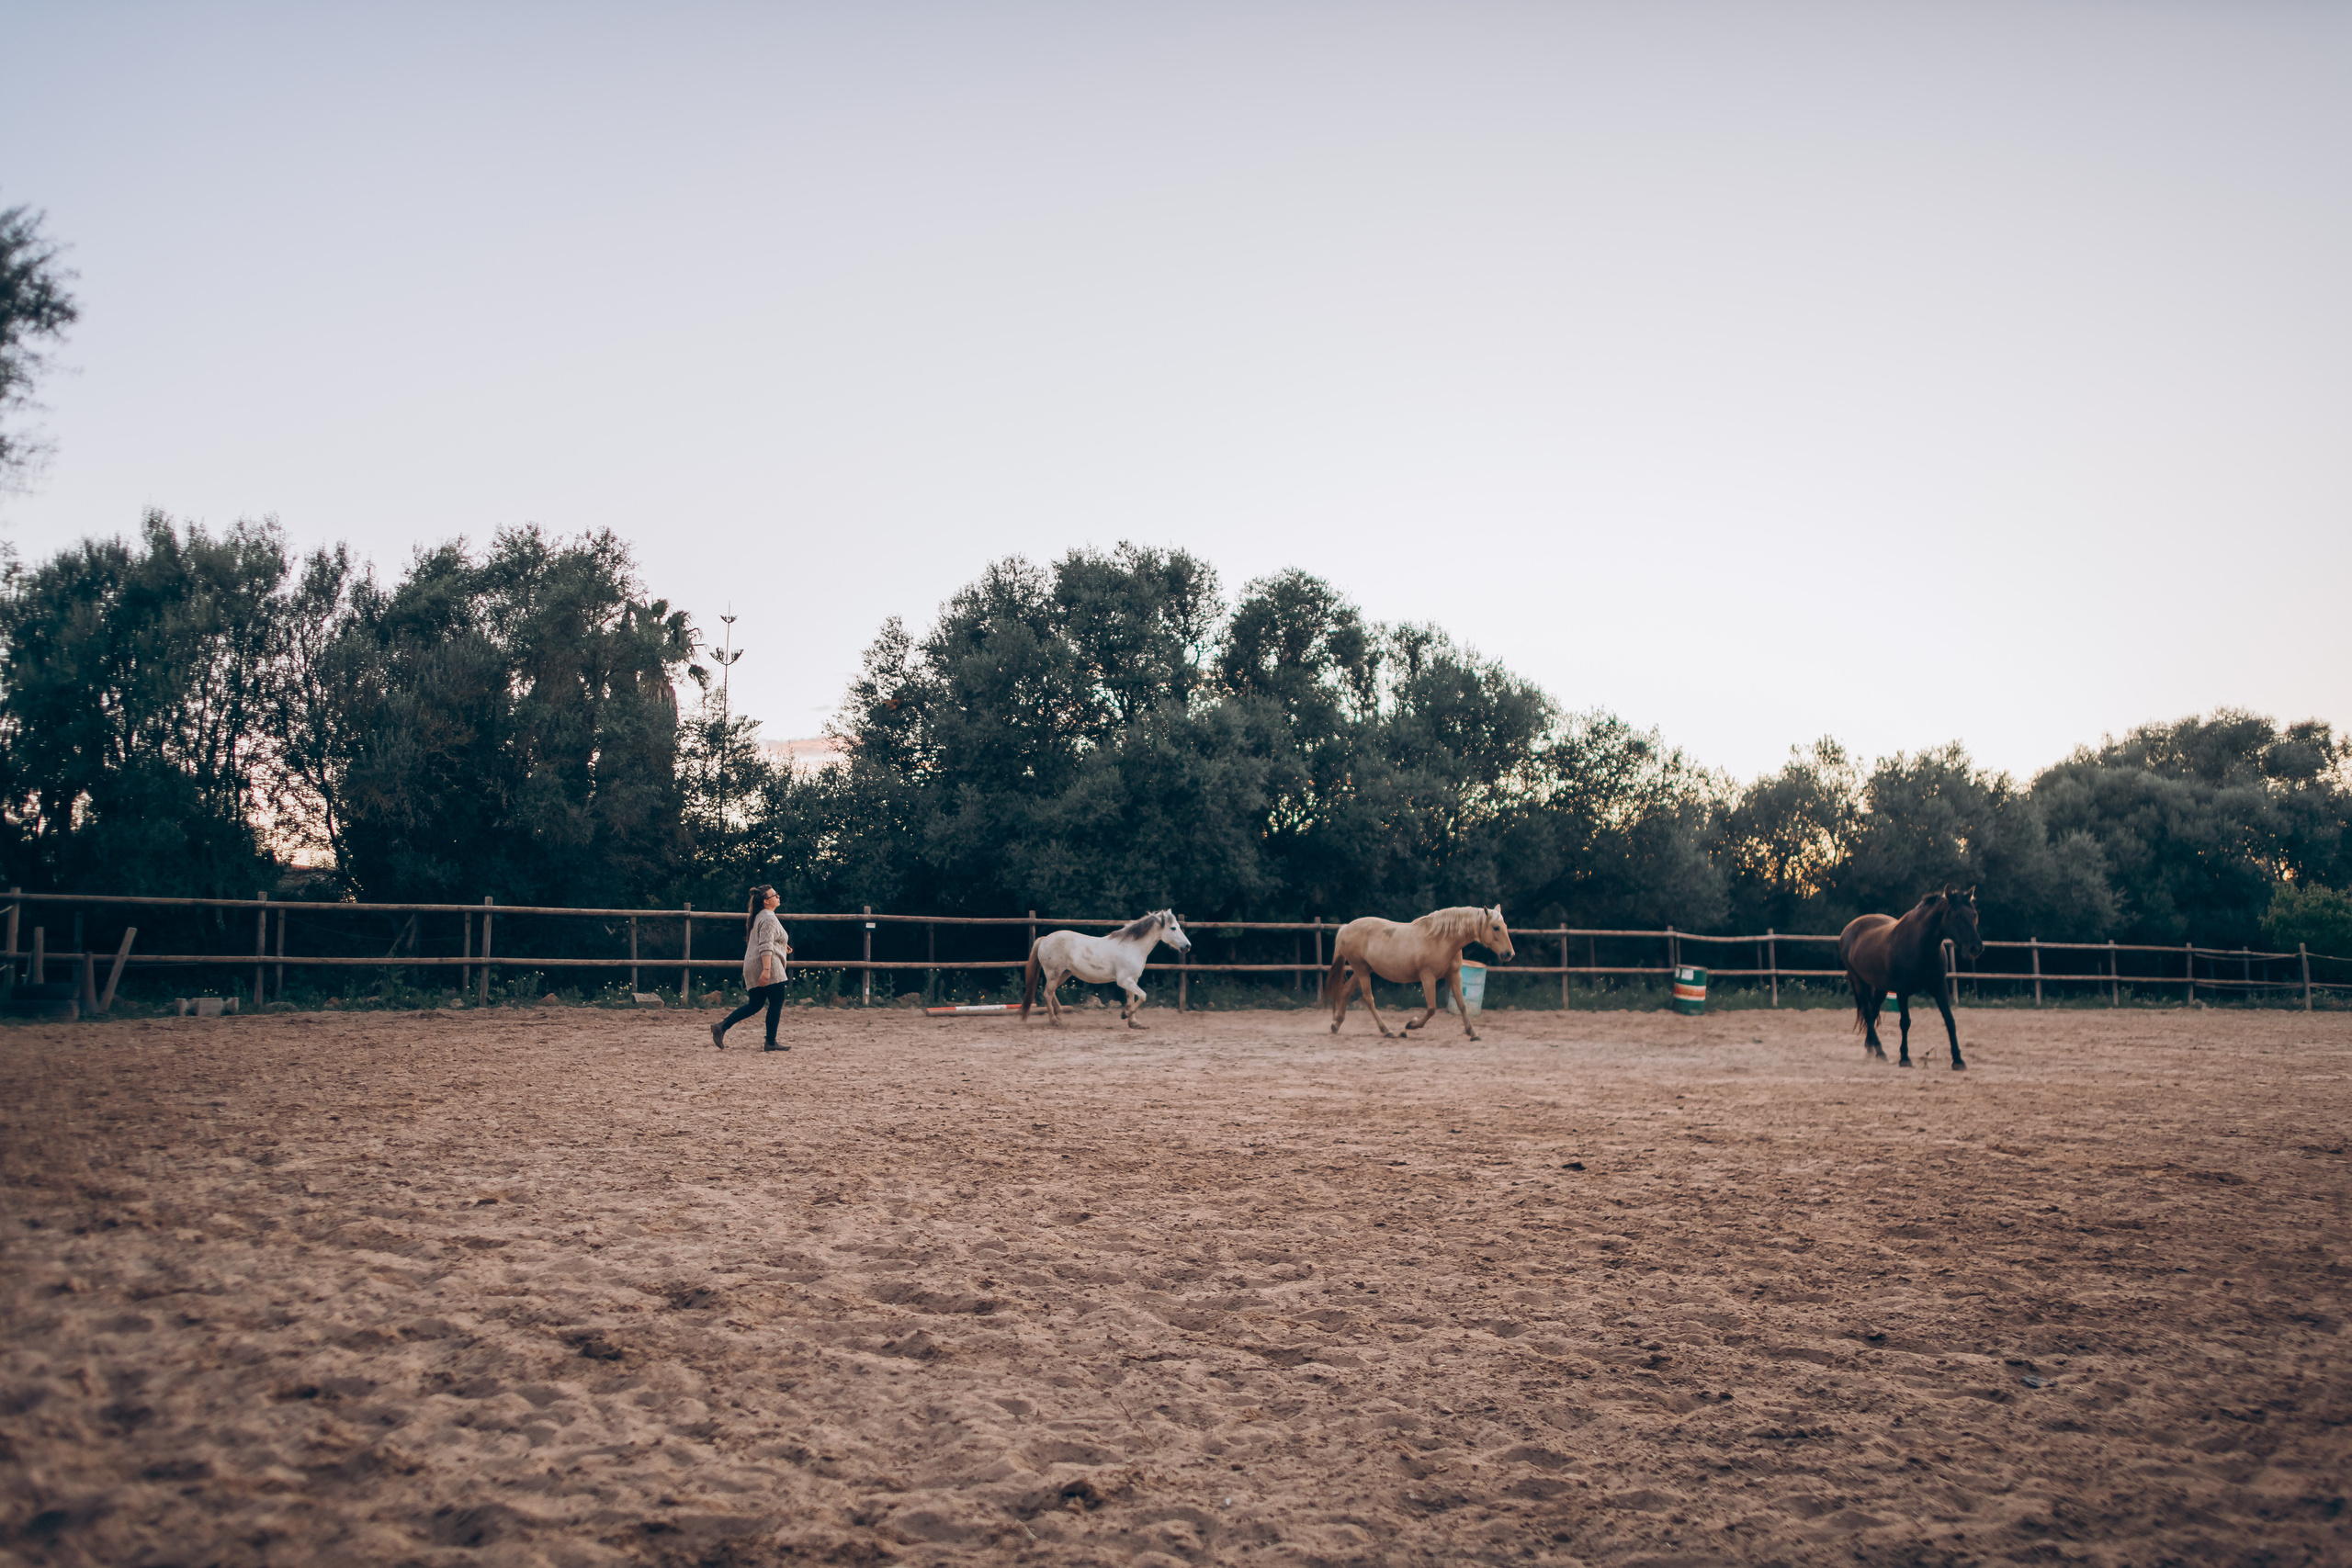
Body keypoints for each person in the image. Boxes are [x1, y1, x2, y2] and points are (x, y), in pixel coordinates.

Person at [713, 885, 791, 1051]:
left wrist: (783, 945)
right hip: (766, 965)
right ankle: (770, 1042)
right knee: (777, 1001)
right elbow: (765, 945)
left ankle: (722, 1026)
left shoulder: (761, 916)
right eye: (774, 895)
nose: (778, 896)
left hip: (753, 964)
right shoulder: (769, 918)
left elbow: (766, 940)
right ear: (766, 901)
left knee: (755, 1004)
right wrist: (767, 970)